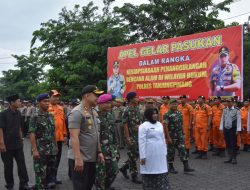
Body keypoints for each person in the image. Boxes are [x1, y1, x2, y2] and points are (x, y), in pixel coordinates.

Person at [68, 85, 104, 190]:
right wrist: (78, 159)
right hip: (81, 158)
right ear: (87, 96)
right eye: (96, 95)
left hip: (91, 157)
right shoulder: (76, 112)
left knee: (88, 184)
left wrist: (99, 151)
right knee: (80, 186)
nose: (98, 98)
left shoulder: (93, 111)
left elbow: (95, 134)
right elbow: (74, 137)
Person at [0, 94, 33, 190]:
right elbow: (0, 129)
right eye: (18, 101)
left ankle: (24, 184)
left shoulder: (18, 113)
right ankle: (9, 185)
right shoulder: (3, 114)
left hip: (18, 144)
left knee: (22, 164)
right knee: (8, 166)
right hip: (6, 145)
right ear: (12, 103)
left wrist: (21, 136)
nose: (20, 103)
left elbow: (19, 126)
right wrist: (1, 143)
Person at [29, 93, 58, 189]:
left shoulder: (50, 115)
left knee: (49, 173)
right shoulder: (35, 116)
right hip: (40, 150)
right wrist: (34, 150)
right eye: (44, 101)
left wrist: (56, 145)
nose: (47, 103)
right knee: (40, 174)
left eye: (48, 101)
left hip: (51, 149)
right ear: (39, 103)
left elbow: (53, 131)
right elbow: (32, 133)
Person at [139, 108, 170, 190]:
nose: (155, 115)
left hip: (160, 153)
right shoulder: (143, 126)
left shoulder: (160, 124)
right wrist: (142, 156)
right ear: (148, 115)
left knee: (161, 171)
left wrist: (165, 151)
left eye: (156, 113)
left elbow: (163, 138)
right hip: (149, 154)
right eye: (153, 114)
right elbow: (141, 142)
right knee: (150, 171)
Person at [95, 94, 120, 190]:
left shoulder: (110, 114)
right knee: (100, 172)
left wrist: (115, 145)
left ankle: (106, 185)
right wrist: (98, 150)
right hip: (100, 148)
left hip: (111, 147)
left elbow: (112, 131)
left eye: (110, 102)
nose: (110, 104)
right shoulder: (95, 114)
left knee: (114, 170)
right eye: (108, 103)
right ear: (101, 104)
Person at [163, 99, 194, 174]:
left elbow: (181, 123)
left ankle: (186, 167)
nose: (174, 105)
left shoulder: (179, 113)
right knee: (171, 151)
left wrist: (183, 132)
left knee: (183, 150)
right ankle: (171, 167)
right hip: (172, 135)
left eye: (176, 104)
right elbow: (165, 126)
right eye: (173, 104)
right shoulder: (167, 114)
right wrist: (168, 137)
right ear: (170, 105)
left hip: (179, 135)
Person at [119, 92, 142, 184]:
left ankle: (124, 168)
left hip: (138, 136)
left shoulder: (137, 108)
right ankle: (134, 176)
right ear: (131, 99)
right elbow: (124, 125)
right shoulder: (126, 110)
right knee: (133, 156)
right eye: (136, 97)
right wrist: (128, 138)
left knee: (136, 155)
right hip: (131, 136)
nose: (138, 98)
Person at [48, 90, 67, 184]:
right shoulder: (46, 108)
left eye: (57, 96)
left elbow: (63, 123)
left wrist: (64, 135)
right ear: (49, 97)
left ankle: (54, 177)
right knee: (50, 159)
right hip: (50, 139)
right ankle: (49, 178)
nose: (56, 98)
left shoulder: (60, 108)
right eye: (54, 96)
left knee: (57, 159)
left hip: (59, 139)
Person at [220, 98, 241, 164]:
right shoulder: (225, 110)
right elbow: (222, 119)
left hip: (233, 129)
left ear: (232, 102)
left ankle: (234, 158)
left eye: (229, 102)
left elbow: (239, 120)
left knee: (233, 144)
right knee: (227, 144)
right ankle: (230, 158)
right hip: (226, 128)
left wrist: (238, 130)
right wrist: (221, 128)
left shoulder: (236, 110)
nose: (227, 103)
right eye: (227, 102)